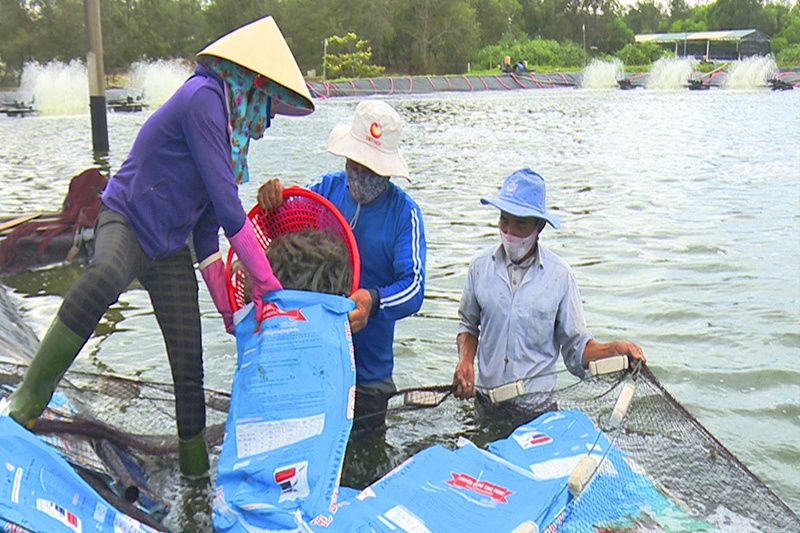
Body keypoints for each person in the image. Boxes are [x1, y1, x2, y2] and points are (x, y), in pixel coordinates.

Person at [2, 16, 315, 477]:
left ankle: (194, 479)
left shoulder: (230, 142)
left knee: (189, 362)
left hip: (168, 251)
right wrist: (271, 291)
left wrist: (231, 312)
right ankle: (26, 403)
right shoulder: (203, 100)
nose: (267, 123)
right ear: (252, 86)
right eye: (269, 108)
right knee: (105, 277)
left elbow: (207, 235)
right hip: (126, 220)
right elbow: (232, 214)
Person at [257, 100, 426, 433]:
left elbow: (414, 286)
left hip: (369, 374)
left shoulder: (403, 213)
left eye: (373, 169)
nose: (361, 174)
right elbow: (277, 234)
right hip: (311, 361)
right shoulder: (326, 190)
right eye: (356, 163)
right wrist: (271, 201)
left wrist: (373, 300)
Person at [452, 168, 646, 415]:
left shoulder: (559, 276)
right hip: (486, 404)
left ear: (539, 227)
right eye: (504, 221)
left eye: (520, 224)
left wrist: (613, 350)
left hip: (537, 412)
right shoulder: (480, 267)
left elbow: (576, 349)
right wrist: (465, 361)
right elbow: (468, 325)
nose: (509, 232)